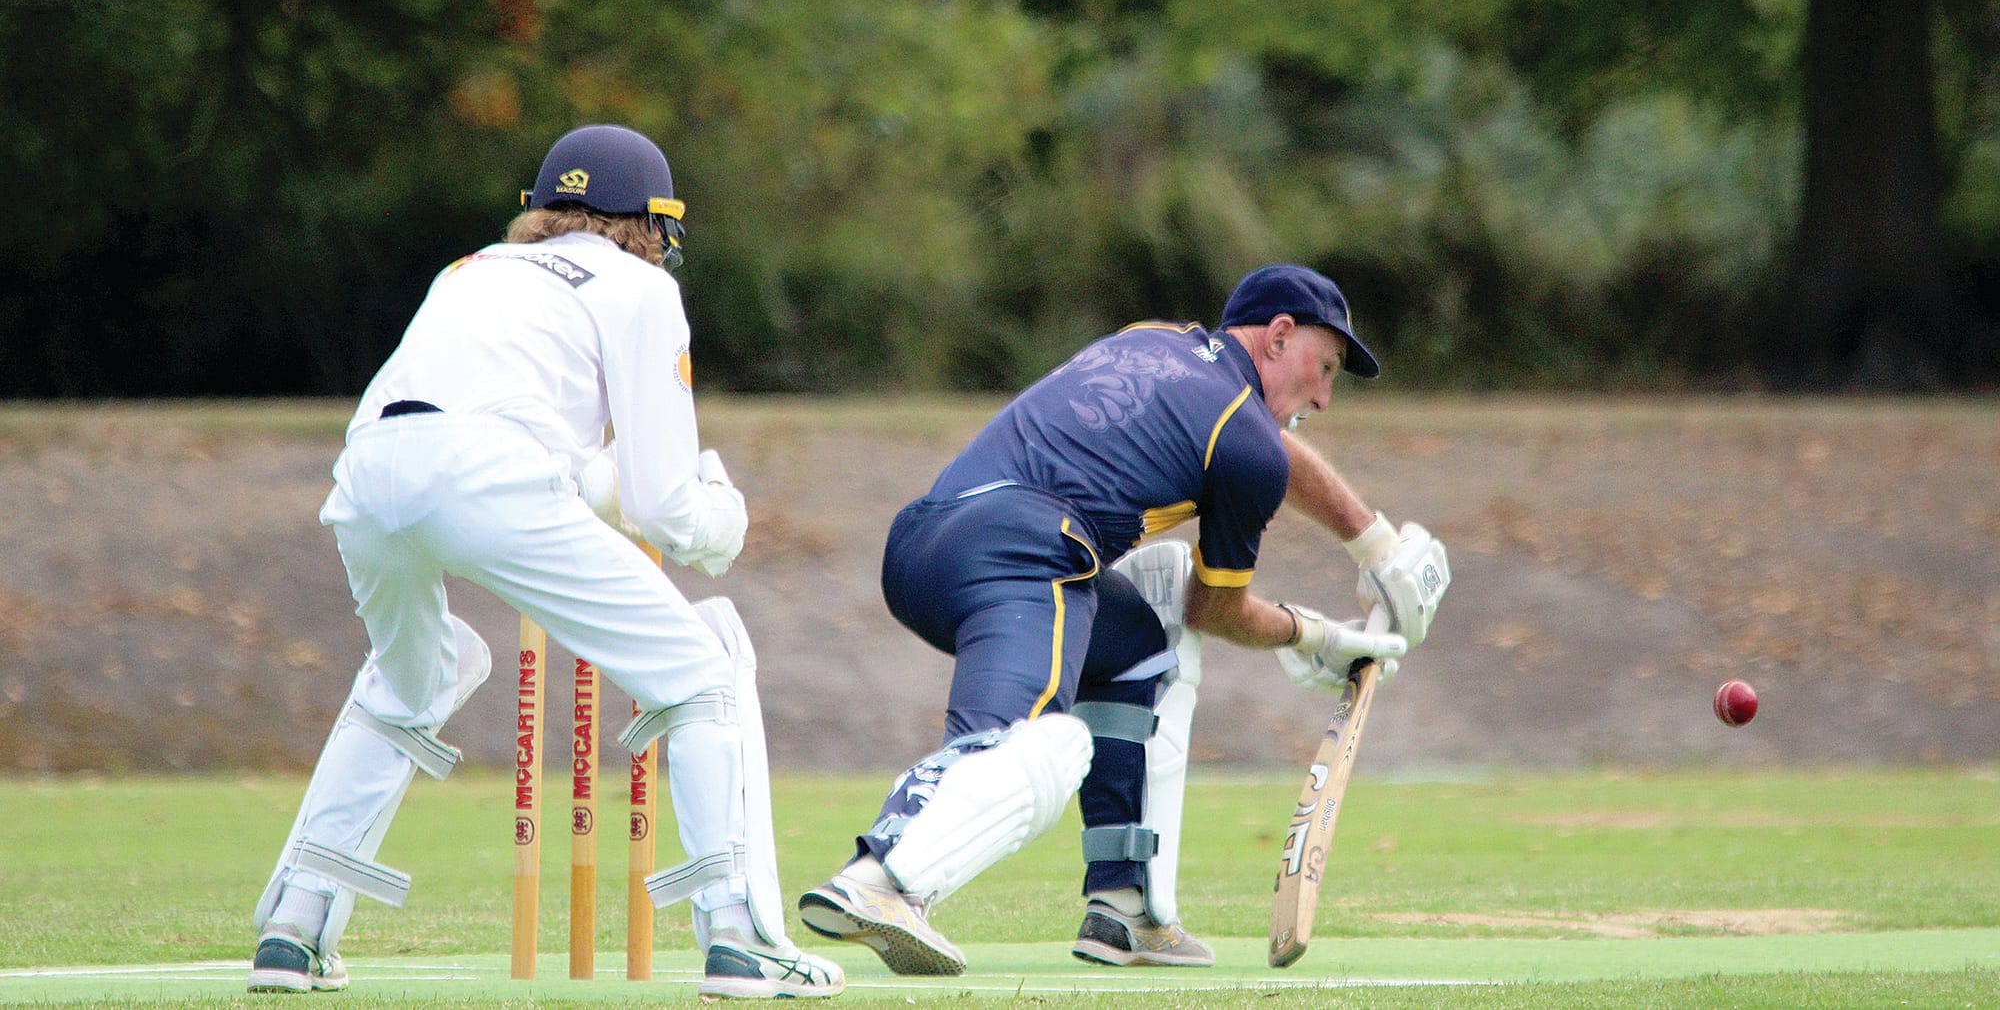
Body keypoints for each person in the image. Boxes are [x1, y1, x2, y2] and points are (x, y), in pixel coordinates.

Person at [247, 125, 842, 1000]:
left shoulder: (474, 267)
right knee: (702, 672)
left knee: (415, 680)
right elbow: (662, 501)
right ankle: (740, 938)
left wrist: (643, 494)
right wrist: (722, 522)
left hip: (370, 473)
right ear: (649, 220)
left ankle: (293, 928)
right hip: (490, 475)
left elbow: (557, 452)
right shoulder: (639, 287)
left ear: (543, 211)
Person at [796, 264, 1449, 974]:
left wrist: (1371, 538)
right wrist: (1312, 634)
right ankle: (879, 879)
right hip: (1027, 546)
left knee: (1140, 643)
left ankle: (1124, 904)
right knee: (1031, 747)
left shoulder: (1157, 340)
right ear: (1279, 335)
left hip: (924, 542)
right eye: (1322, 368)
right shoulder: (1247, 444)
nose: (1323, 397)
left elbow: (1263, 451)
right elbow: (1216, 607)